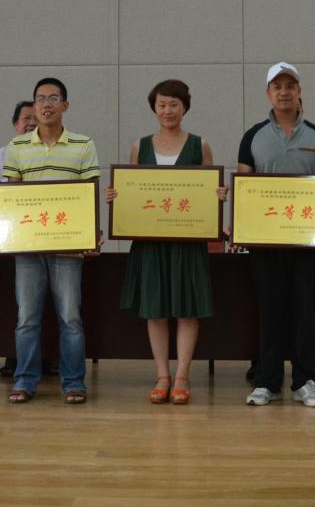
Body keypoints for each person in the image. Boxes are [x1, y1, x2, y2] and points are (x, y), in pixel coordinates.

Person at [109, 79, 225, 405]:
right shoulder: (140, 146)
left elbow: (208, 191)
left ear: (184, 107)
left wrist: (217, 195)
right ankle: (162, 375)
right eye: (162, 105)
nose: (168, 110)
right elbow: (131, 191)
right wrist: (117, 197)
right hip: (150, 242)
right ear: (154, 108)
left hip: (187, 241)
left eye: (174, 104)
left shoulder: (200, 145)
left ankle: (183, 375)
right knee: (155, 309)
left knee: (187, 309)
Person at [237, 64, 315, 408]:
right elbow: (244, 186)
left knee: (305, 310)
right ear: (268, 93)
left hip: (307, 242)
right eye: (277, 86)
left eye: (290, 86)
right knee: (270, 310)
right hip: (265, 243)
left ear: (299, 91)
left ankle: (306, 380)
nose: (284, 92)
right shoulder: (253, 136)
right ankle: (267, 380)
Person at [1, 77, 101, 404]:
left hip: (69, 248)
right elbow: (10, 198)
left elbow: (90, 195)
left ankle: (73, 382)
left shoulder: (83, 144)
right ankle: (24, 380)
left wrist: (92, 235)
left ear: (65, 106)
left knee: (70, 318)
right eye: (41, 99)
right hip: (28, 248)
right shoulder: (16, 147)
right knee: (26, 319)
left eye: (54, 98)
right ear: (34, 106)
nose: (46, 104)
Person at [0, 100, 57, 379]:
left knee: (54, 305)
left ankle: (51, 358)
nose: (31, 123)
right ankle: (16, 361)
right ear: (15, 124)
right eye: (25, 118)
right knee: (19, 307)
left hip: (53, 239)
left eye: (35, 118)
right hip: (13, 244)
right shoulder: (1, 156)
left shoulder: (54, 153)